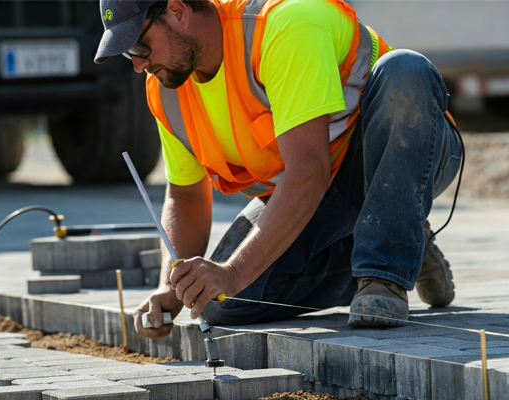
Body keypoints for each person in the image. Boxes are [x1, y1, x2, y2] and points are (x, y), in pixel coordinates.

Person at [94, 0, 462, 340]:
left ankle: (385, 271)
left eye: (139, 46)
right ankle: (403, 235)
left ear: (177, 11)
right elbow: (186, 195)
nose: (138, 63)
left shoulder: (281, 27)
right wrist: (171, 288)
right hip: (316, 191)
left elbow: (308, 170)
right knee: (221, 300)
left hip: (405, 156)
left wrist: (234, 270)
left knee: (405, 70)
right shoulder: (167, 88)